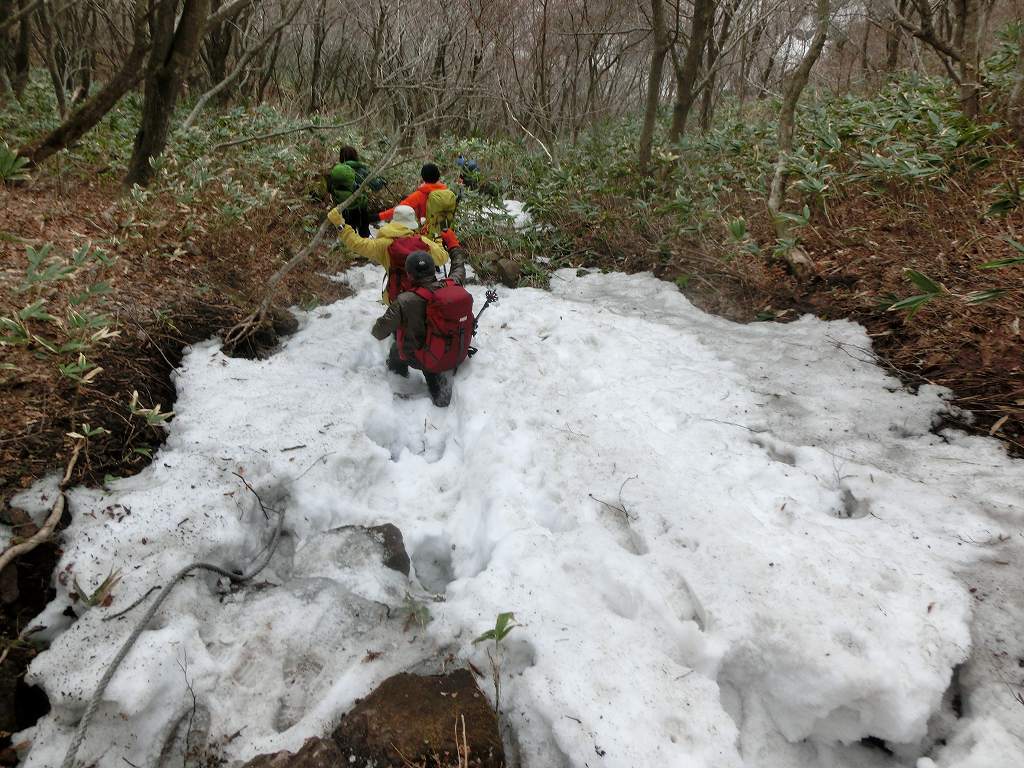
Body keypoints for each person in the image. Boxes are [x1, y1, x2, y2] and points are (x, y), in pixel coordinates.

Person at [371, 251, 471, 407]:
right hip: (450, 347)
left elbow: (379, 331)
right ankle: (441, 393)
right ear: (433, 269)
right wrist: (453, 247)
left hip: (420, 357)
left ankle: (398, 378)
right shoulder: (453, 284)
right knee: (436, 377)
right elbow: (459, 267)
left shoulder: (404, 301)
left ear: (410, 275)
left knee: (396, 348)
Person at [327, 203, 463, 304]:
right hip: (423, 296)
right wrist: (437, 241)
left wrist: (340, 225)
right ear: (412, 224)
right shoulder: (423, 242)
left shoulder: (383, 244)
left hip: (395, 298)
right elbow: (443, 258)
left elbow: (356, 243)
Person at [377, 163, 455, 233]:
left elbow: (398, 210)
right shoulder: (447, 193)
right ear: (438, 176)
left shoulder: (420, 195)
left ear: (423, 177)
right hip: (447, 233)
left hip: (427, 234)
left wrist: (378, 216)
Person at [326, 146, 382, 237]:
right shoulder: (362, 170)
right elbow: (376, 186)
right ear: (355, 156)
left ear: (341, 157)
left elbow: (329, 188)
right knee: (364, 234)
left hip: (343, 207)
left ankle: (348, 250)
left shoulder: (337, 171)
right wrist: (382, 181)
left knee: (348, 234)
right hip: (360, 207)